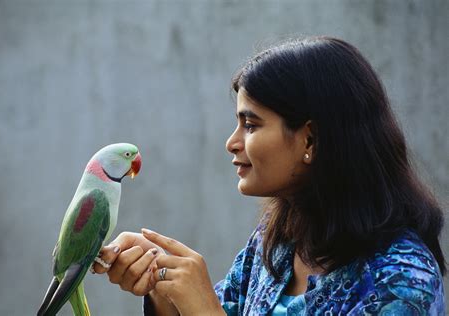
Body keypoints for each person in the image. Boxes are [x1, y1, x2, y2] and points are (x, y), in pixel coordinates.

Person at [92, 36, 446, 315]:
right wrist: (162, 283)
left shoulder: (402, 280)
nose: (232, 143)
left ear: (310, 138)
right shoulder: (276, 243)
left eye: (250, 124)